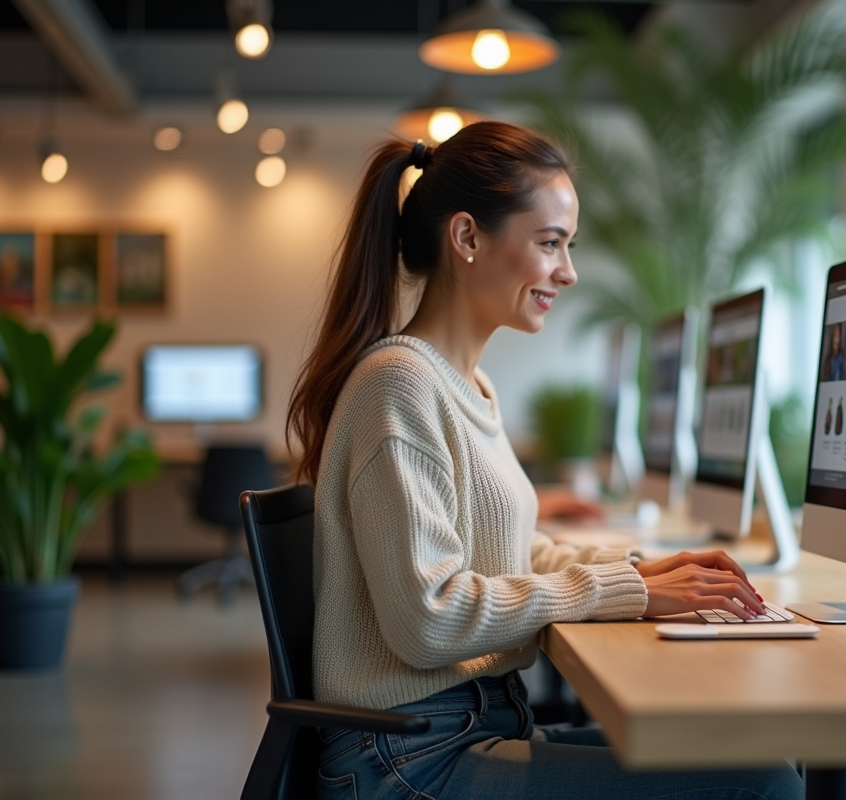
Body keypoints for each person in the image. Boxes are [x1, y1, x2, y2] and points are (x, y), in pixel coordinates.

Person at [286, 123, 802, 800]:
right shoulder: (399, 387)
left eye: (568, 246)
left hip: (458, 730)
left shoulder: (466, 384)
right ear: (467, 238)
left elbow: (511, 551)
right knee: (759, 784)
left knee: (751, 759)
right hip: (408, 759)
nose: (568, 271)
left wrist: (639, 576)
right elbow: (430, 617)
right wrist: (630, 591)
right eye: (549, 243)